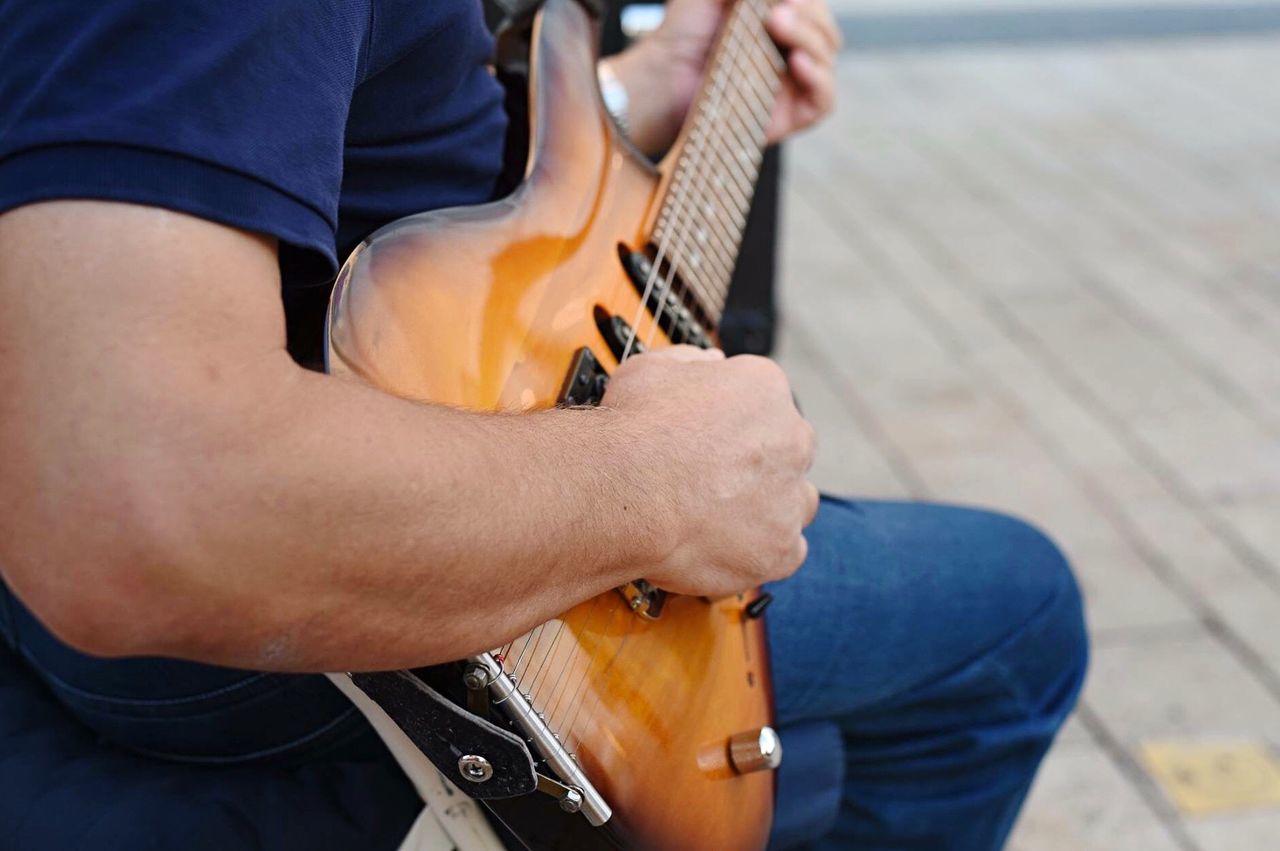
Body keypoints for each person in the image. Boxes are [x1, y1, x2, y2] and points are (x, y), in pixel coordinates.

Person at [0, 0, 1087, 847]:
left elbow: (280, 125)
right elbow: (132, 500)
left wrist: (634, 98)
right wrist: (648, 482)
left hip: (419, 431)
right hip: (344, 637)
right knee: (1016, 615)